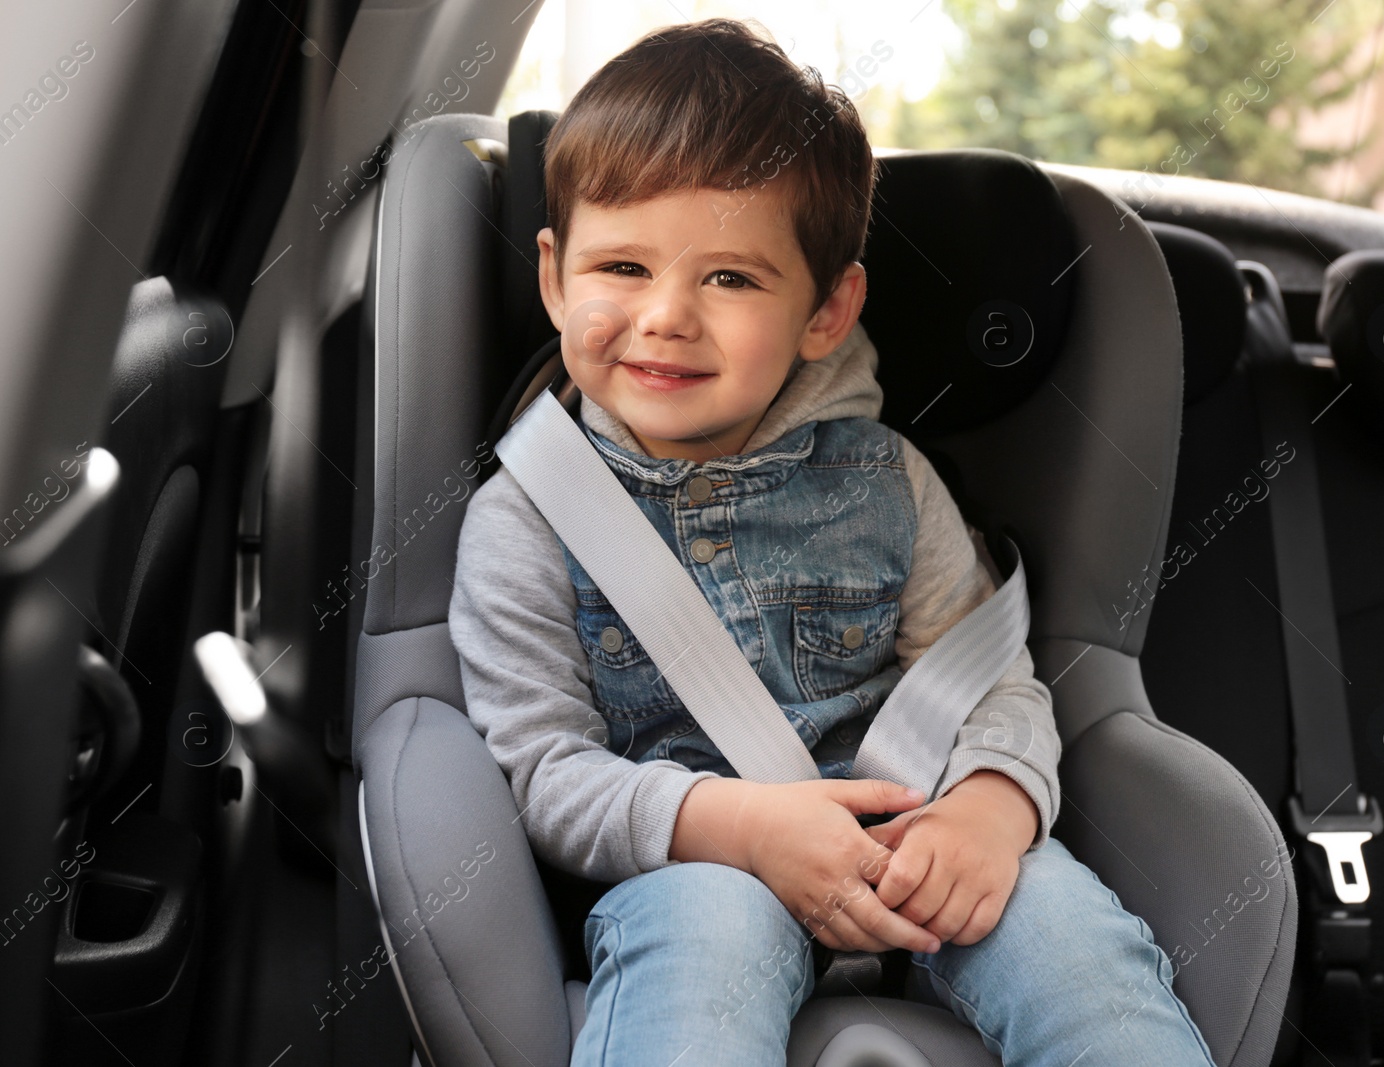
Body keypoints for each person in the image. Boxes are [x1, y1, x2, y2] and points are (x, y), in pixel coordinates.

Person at [448, 17, 1215, 1066]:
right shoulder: (528, 517)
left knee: (1067, 930)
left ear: (826, 308)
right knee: (707, 931)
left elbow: (989, 681)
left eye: (730, 279)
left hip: (911, 847)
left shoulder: (889, 484)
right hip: (692, 871)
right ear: (553, 277)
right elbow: (544, 768)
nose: (667, 315)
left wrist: (989, 807)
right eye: (621, 265)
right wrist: (742, 828)